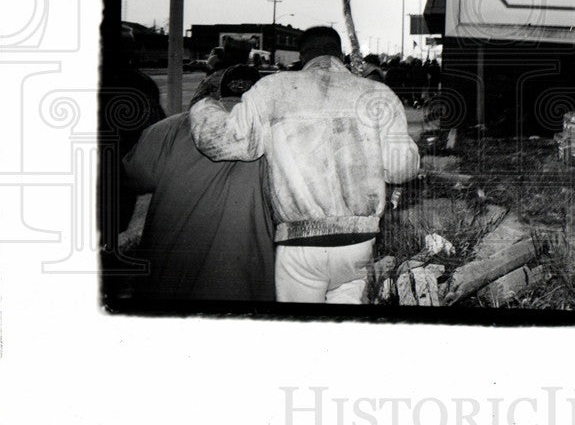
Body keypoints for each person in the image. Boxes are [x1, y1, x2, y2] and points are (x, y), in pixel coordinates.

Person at [188, 26, 420, 304]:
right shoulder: (378, 95)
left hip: (300, 243)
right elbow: (402, 168)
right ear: (340, 53)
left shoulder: (273, 89)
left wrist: (204, 105)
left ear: (302, 55)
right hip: (359, 243)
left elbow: (221, 141)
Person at [119, 65, 276, 301]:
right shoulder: (278, 134)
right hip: (245, 284)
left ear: (219, 94)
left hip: (167, 283)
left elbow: (132, 176)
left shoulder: (169, 128)